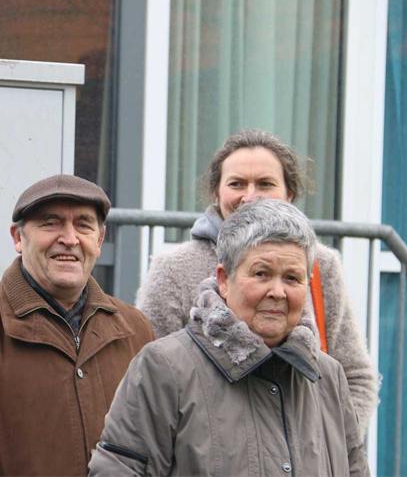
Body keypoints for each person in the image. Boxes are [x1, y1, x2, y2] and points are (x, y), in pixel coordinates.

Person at [89, 199, 370, 476]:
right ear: (224, 279)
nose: (277, 292)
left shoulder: (328, 377)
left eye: (292, 278)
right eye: (261, 274)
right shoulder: (165, 367)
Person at [0, 174, 155, 476]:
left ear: (99, 240)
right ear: (17, 238)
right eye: (50, 223)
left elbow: (157, 448)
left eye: (83, 225)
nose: (70, 239)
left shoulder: (135, 331)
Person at [136, 129, 378, 434]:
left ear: (290, 195)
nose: (250, 196)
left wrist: (328, 444)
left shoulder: (322, 265)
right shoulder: (173, 269)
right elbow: (150, 377)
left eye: (265, 184)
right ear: (216, 193)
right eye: (236, 183)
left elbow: (355, 377)